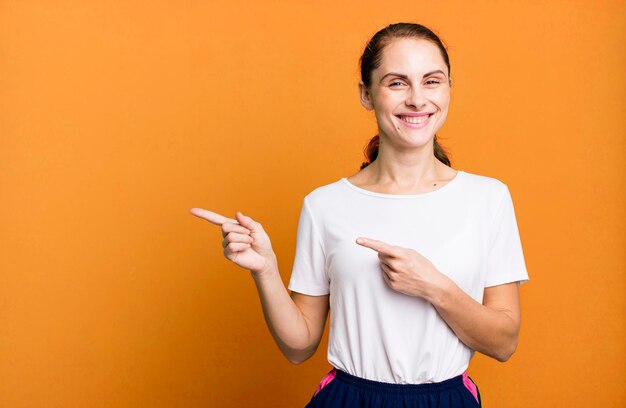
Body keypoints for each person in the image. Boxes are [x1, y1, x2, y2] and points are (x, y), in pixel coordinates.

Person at [190, 22, 529, 408]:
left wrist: (432, 285)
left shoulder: (488, 199)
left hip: (446, 399)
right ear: (367, 94)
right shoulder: (325, 205)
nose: (417, 99)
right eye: (397, 83)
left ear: (449, 87)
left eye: (431, 81)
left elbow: (504, 343)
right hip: (349, 398)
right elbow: (300, 346)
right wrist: (265, 269)